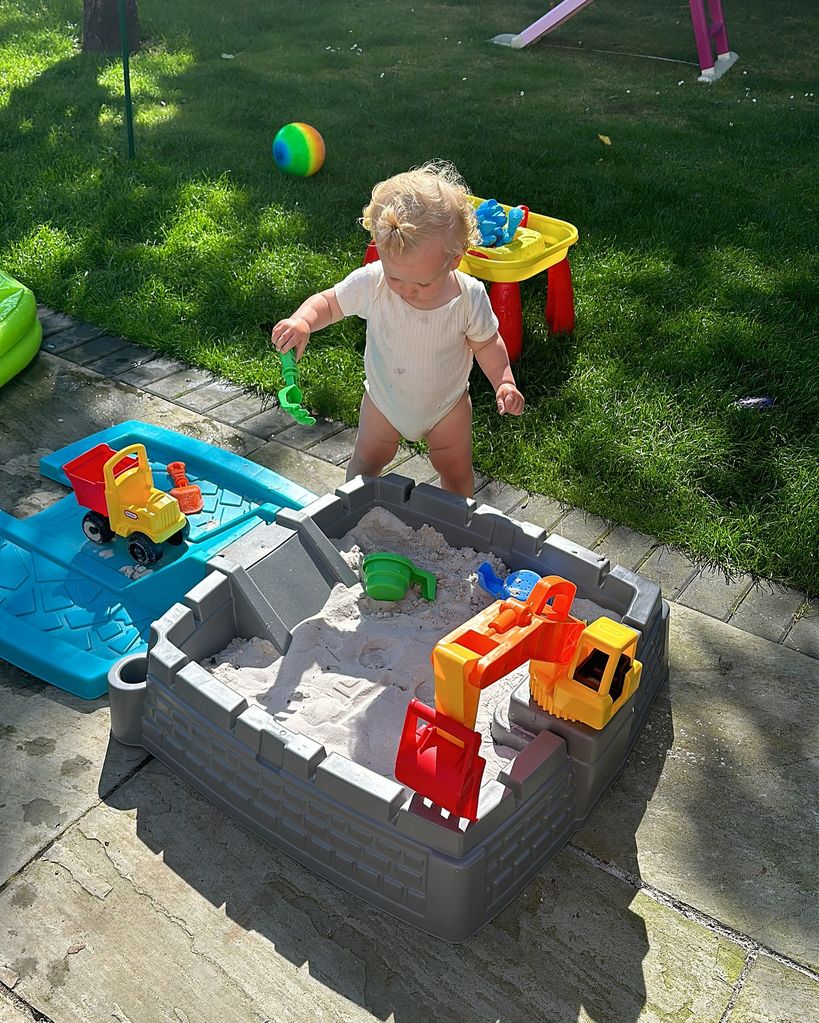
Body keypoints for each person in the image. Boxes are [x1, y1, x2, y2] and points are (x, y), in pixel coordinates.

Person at [270, 161, 525, 498]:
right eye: (395, 277)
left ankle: (461, 523)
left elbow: (487, 343)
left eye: (421, 282)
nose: (405, 289)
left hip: (446, 408)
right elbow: (330, 302)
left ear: (455, 260)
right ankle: (350, 509)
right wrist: (303, 321)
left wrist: (504, 381)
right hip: (383, 402)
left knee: (456, 471)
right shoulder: (375, 283)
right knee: (365, 463)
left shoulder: (468, 296)